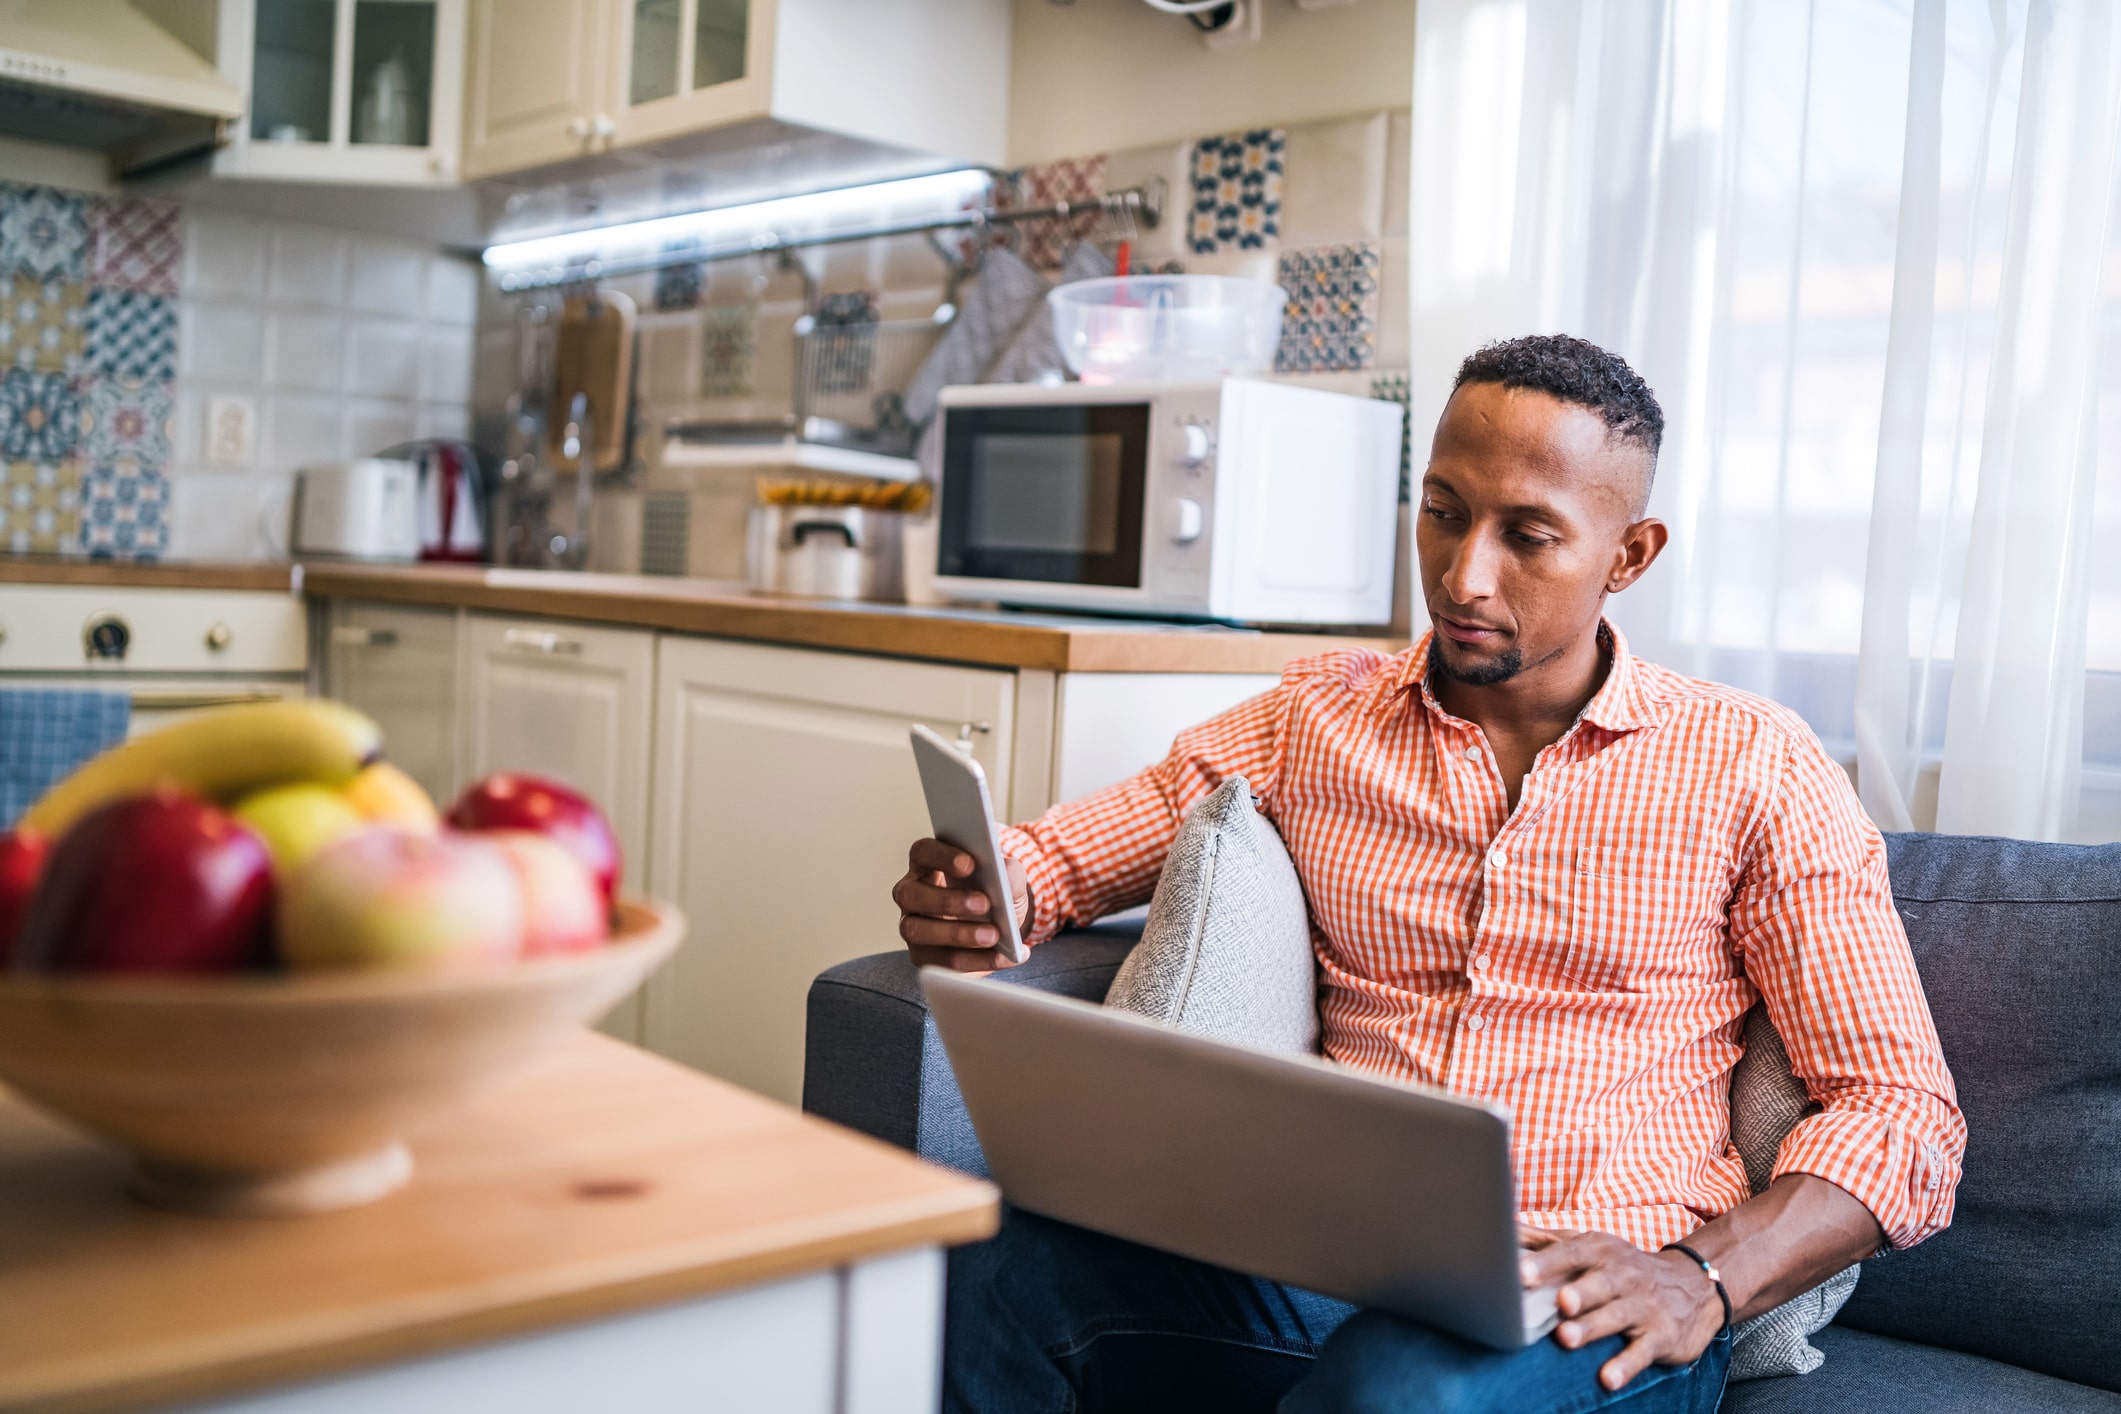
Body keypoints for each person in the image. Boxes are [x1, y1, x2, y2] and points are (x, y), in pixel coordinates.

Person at [892, 334, 1965, 1413]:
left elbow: (1904, 1111)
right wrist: (990, 893)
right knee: (986, 1272)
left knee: (1394, 1390)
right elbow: (1062, 857)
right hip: (1320, 1259)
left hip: (1591, 1298)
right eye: (1444, 509)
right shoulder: (1316, 717)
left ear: (1628, 555)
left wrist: (1704, 1274)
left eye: (1528, 536)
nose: (1463, 575)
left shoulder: (1755, 764)